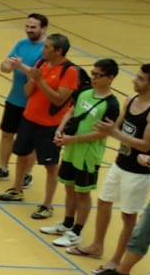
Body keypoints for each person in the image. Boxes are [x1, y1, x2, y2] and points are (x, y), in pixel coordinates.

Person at [80, 63, 150, 265]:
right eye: (136, 76)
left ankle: (117, 260)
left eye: (141, 78)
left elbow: (146, 145)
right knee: (103, 201)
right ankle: (97, 246)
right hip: (119, 163)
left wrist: (115, 133)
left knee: (128, 216)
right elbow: (116, 126)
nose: (135, 80)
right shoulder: (130, 99)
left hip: (137, 172)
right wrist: (106, 128)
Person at [0, 33, 79, 210]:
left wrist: (40, 81)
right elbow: (27, 92)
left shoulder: (69, 71)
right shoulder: (41, 64)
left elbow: (58, 99)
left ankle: (47, 204)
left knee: (50, 165)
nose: (43, 50)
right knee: (22, 154)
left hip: (49, 125)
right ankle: (17, 189)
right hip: (29, 117)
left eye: (47, 47)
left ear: (58, 51)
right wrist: (31, 81)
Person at [43, 59, 121, 241]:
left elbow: (102, 133)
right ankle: (67, 223)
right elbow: (71, 111)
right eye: (93, 74)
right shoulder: (84, 92)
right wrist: (60, 129)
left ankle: (76, 232)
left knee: (83, 192)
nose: (93, 78)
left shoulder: (111, 104)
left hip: (88, 155)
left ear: (110, 78)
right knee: (69, 187)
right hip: (71, 149)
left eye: (98, 75)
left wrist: (73, 139)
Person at [0, 13, 49, 183]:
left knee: (30, 140)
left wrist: (19, 66)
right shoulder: (21, 44)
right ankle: (3, 168)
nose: (29, 30)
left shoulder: (46, 49)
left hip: (33, 103)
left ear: (43, 29)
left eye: (33, 27)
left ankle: (27, 174)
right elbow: (5, 65)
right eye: (27, 26)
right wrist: (7, 66)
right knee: (7, 134)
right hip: (14, 99)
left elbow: (38, 75)